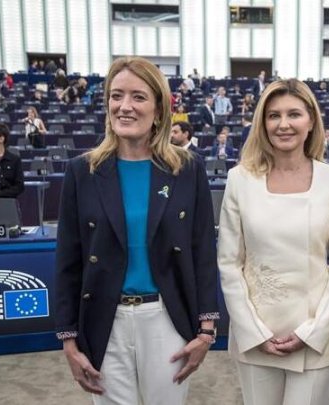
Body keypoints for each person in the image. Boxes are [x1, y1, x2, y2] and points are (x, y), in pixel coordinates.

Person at [55, 57, 218, 404]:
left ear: (159, 109)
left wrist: (206, 331)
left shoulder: (188, 169)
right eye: (116, 96)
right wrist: (69, 341)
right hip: (103, 321)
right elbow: (69, 261)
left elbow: (203, 250)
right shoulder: (81, 172)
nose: (124, 107)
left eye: (138, 97)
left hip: (167, 319)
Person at [218, 78, 329, 405]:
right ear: (262, 123)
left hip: (315, 337)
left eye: (293, 114)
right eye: (273, 115)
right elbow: (229, 263)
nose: (283, 124)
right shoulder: (240, 180)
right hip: (257, 334)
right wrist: (253, 331)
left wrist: (313, 331)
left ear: (311, 121)